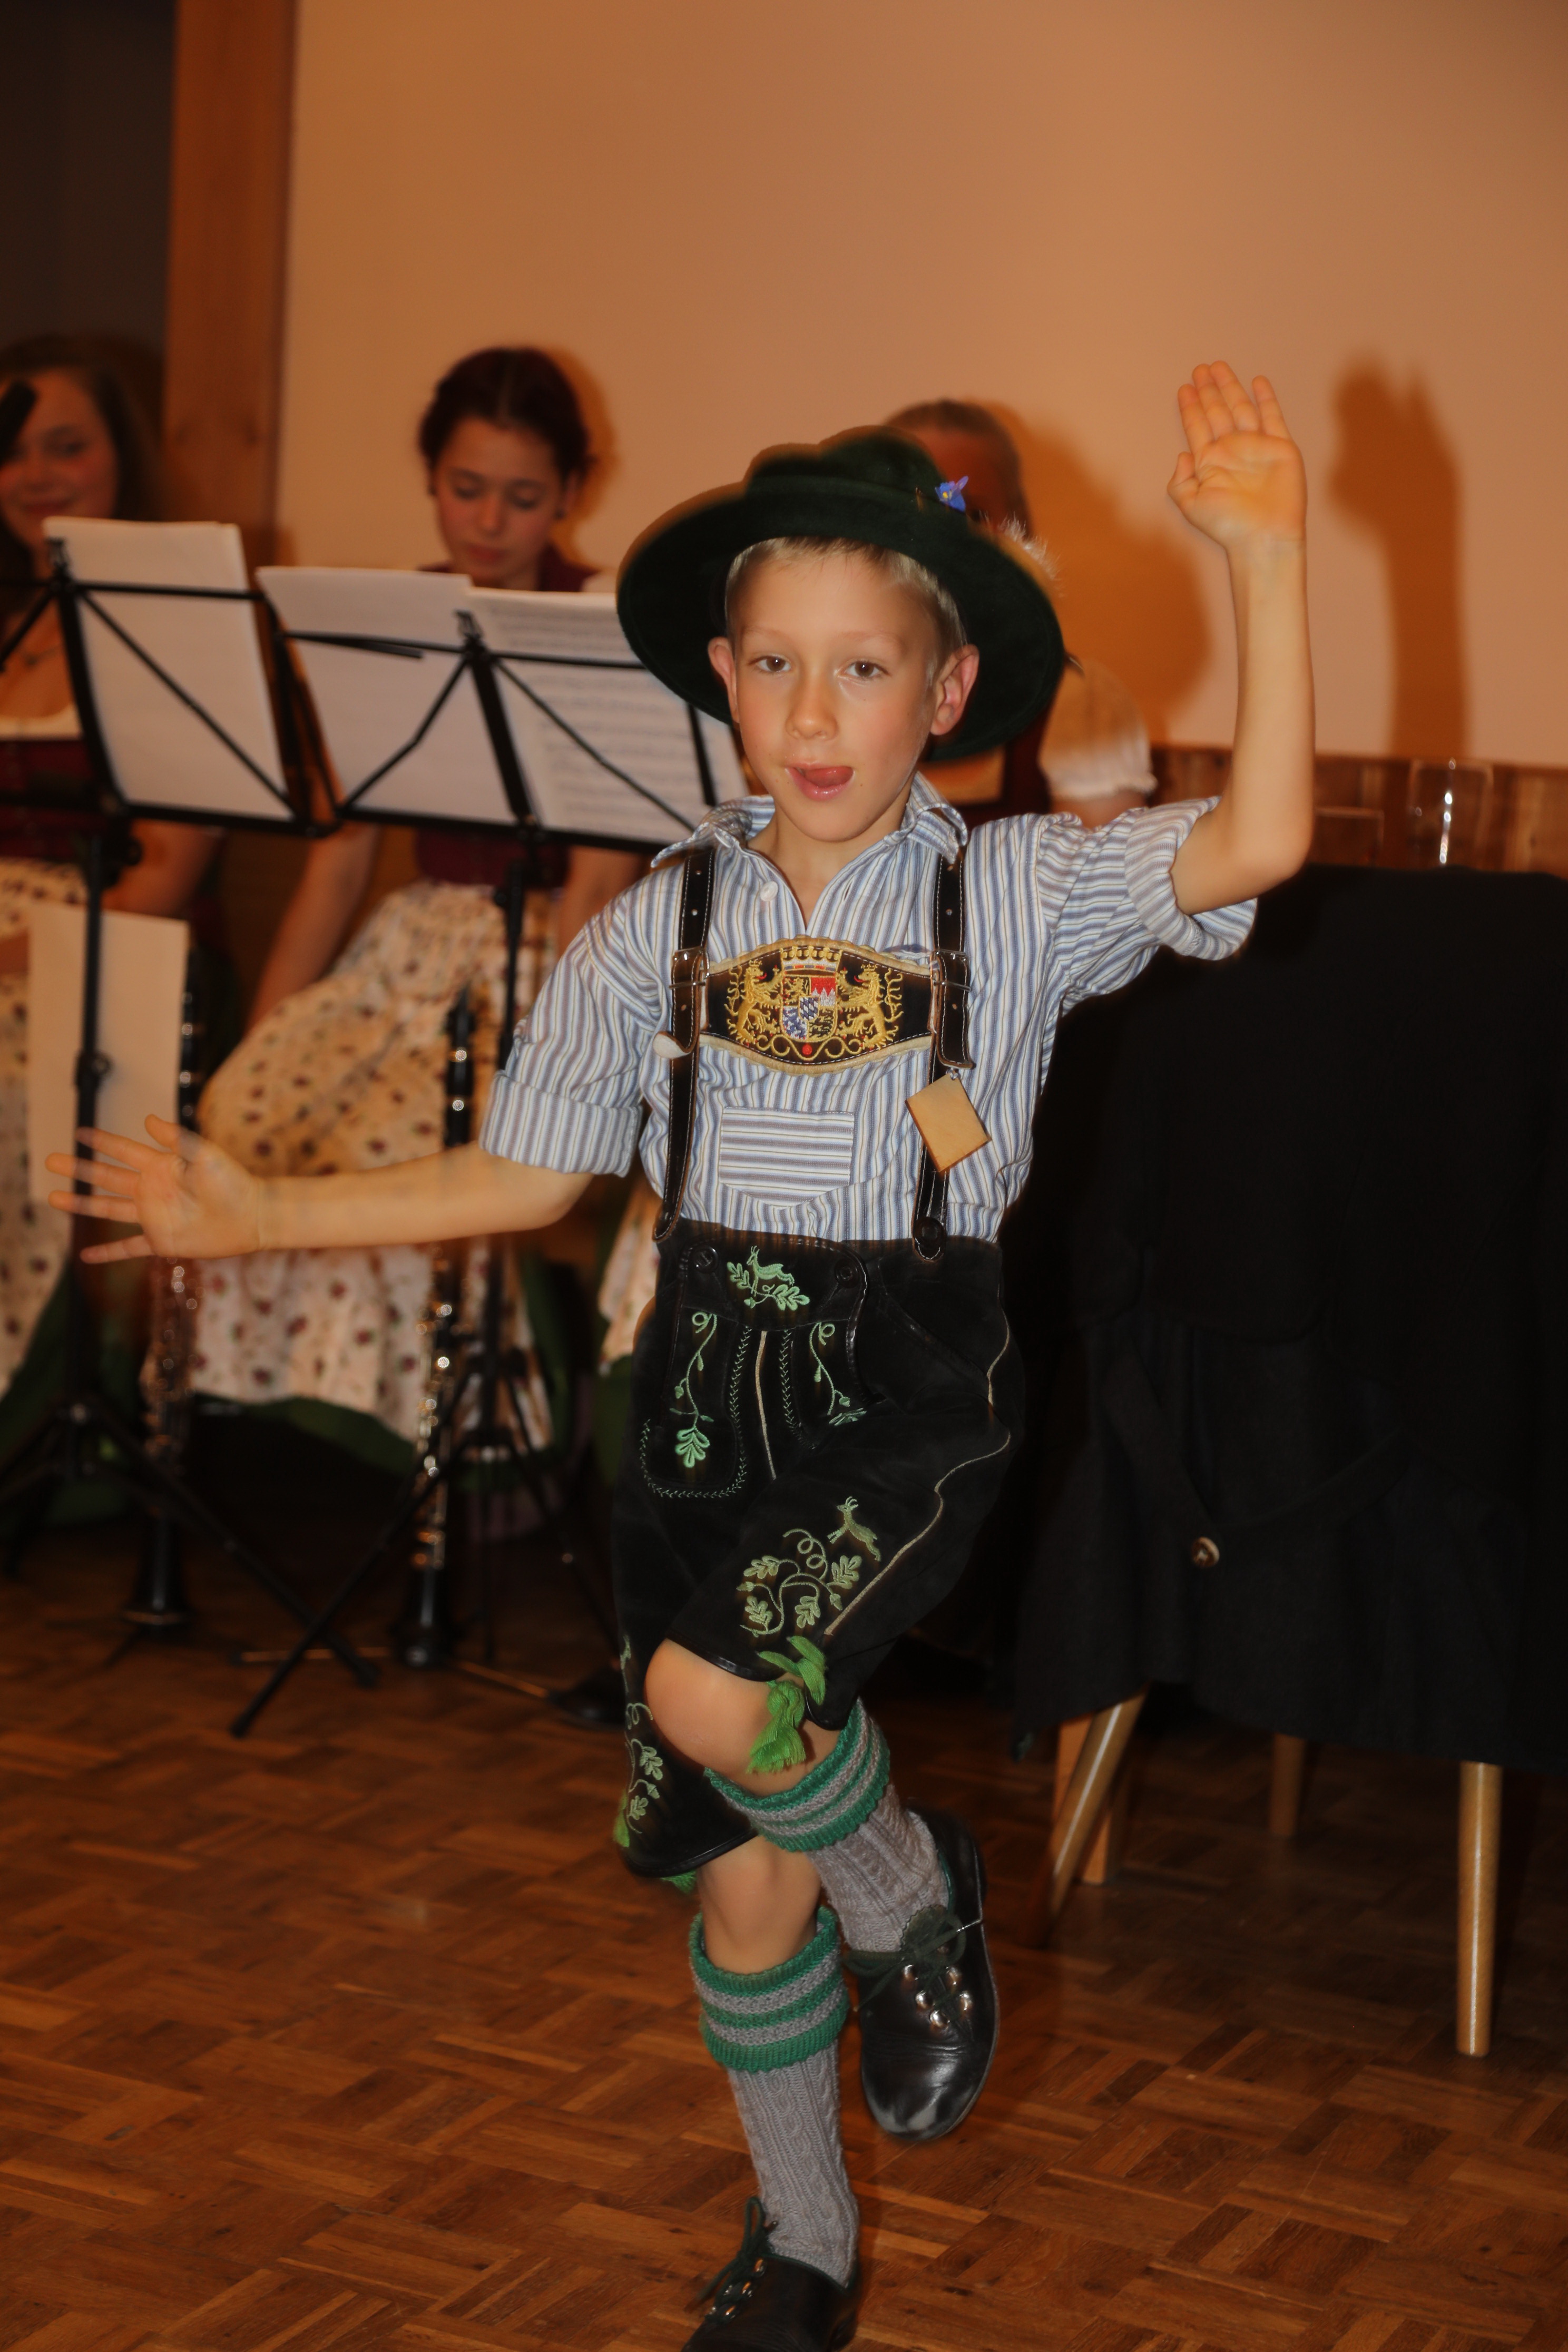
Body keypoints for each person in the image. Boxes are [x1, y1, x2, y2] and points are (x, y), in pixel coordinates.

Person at [53, 361, 1315, 2352]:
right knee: (734, 1876)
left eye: (862, 671)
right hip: (703, 1395)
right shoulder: (657, 921)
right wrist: (258, 1208)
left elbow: (1258, 840)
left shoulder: (1016, 888)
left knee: (711, 1696)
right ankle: (803, 2246)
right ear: (720, 676)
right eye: (775, 668)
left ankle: (911, 1886)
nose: (814, 717)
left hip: (902, 1383)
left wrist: (1266, 560)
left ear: (944, 689)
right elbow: (527, 1174)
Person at [190, 347, 641, 1451]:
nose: (487, 521)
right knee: (244, 1115)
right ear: (430, 476)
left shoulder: (602, 625)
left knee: (415, 1141)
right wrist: (264, 1035)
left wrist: (563, 1057)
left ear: (572, 491)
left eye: (522, 496)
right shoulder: (384, 621)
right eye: (464, 488)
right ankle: (293, 1408)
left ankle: (472, 1439)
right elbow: (339, 865)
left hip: (548, 952)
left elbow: (599, 879)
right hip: (408, 947)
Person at [0, 335, 221, 1397]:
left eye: (68, 445)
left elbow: (163, 877)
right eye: (14, 450)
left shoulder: (173, 634)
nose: (37, 474)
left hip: (108, 944)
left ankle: (42, 1395)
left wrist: (17, 951)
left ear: (122, 457)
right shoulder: (9, 622)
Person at [887, 396, 1160, 827]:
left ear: (1020, 530)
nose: (940, 536)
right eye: (913, 507)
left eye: (971, 513)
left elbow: (1101, 869)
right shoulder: (819, 688)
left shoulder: (1075, 704)